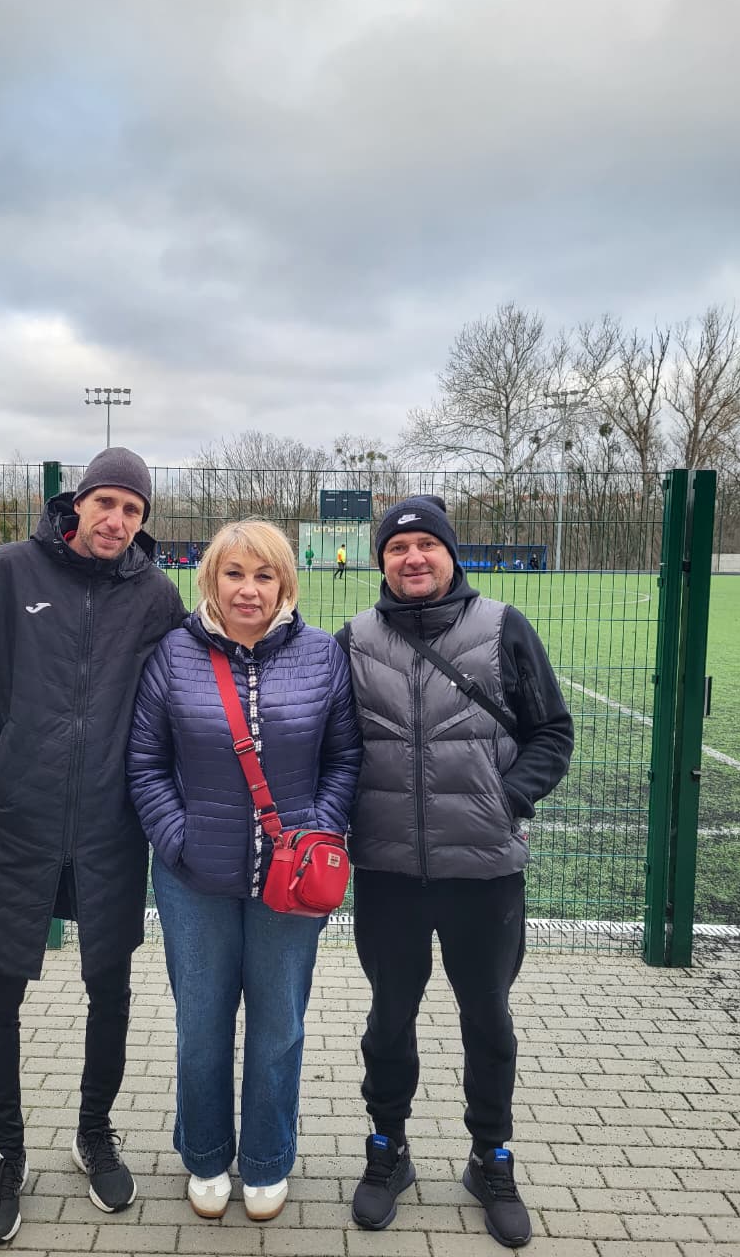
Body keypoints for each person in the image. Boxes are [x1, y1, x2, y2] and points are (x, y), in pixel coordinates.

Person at [0, 448, 186, 1246]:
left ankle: (93, 1133)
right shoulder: (8, 572)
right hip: (11, 822)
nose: (118, 520)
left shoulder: (156, 595)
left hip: (108, 829)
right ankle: (6, 1155)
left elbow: (181, 694)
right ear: (77, 503)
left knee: (111, 990)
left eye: (133, 510)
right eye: (108, 503)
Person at [337, 495, 573, 1247]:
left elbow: (551, 731)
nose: (413, 558)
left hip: (485, 873)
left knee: (488, 1020)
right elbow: (334, 746)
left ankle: (490, 1158)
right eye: (397, 548)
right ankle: (387, 1149)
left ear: (449, 553)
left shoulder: (504, 628)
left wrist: (508, 797)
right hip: (387, 874)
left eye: (426, 546)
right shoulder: (354, 640)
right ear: (381, 561)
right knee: (388, 1020)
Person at [127, 520, 361, 1223]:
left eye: (264, 575)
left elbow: (344, 758)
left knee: (279, 1026)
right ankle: (204, 1155)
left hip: (289, 885)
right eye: (234, 574)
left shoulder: (322, 655)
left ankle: (266, 1161)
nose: (249, 590)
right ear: (211, 580)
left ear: (286, 583)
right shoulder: (173, 655)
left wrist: (317, 832)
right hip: (193, 881)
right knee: (201, 1026)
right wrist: (178, 840)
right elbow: (146, 762)